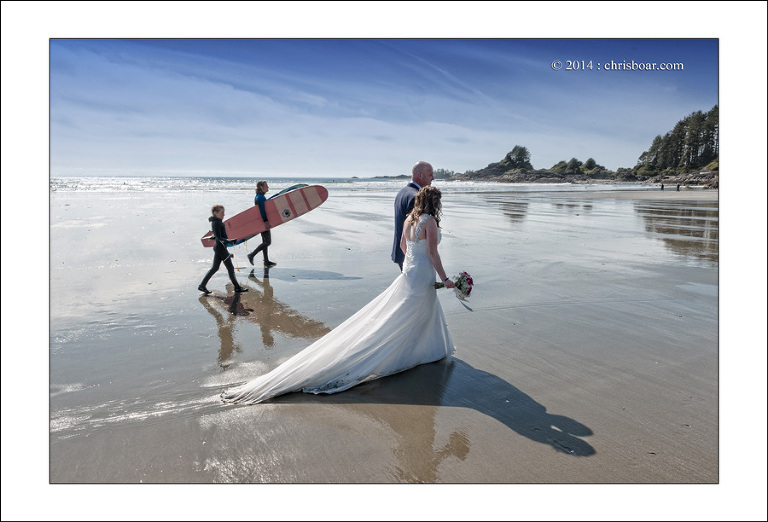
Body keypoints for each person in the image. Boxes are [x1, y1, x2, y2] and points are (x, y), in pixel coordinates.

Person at [222, 185, 455, 404]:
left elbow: (405, 248)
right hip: (422, 276)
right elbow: (433, 253)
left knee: (405, 315)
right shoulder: (430, 222)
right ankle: (412, 353)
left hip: (410, 274)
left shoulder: (408, 221)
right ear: (434, 202)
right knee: (407, 316)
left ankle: (414, 350)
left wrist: (413, 266)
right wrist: (445, 279)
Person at [392, 161, 434, 270]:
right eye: (430, 175)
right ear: (420, 175)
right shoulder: (416, 196)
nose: (433, 178)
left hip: (400, 251)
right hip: (410, 256)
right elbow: (414, 230)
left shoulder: (402, 192)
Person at [198, 204, 249, 294]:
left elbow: (216, 235)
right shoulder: (216, 223)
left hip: (219, 248)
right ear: (215, 213)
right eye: (222, 212)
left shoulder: (217, 222)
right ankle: (237, 287)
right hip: (220, 248)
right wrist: (229, 241)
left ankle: (202, 286)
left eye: (224, 212)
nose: (224, 214)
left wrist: (215, 237)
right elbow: (218, 237)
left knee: (215, 268)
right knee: (230, 268)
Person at [247, 180, 277, 268]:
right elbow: (262, 211)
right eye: (266, 185)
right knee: (267, 242)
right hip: (263, 222)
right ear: (261, 187)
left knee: (265, 242)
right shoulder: (260, 197)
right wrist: (266, 221)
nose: (268, 187)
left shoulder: (259, 196)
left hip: (262, 221)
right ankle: (252, 255)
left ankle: (266, 261)